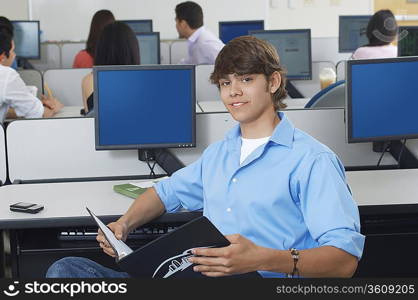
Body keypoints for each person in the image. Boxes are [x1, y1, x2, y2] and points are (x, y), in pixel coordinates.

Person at [46, 36, 364, 278]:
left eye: (246, 79)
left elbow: (344, 260)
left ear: (274, 82)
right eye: (226, 83)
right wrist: (124, 225)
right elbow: (162, 193)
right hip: (193, 279)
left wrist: (262, 257)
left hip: (259, 281)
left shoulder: (311, 160)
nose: (233, 92)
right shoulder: (220, 154)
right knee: (65, 270)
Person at [0, 30, 63, 123]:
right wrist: (54, 108)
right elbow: (39, 114)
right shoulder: (6, 75)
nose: (14, 55)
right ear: (3, 57)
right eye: (12, 51)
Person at [81, 21, 140, 114]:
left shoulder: (88, 81)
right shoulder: (142, 81)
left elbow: (90, 121)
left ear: (100, 50)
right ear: (133, 50)